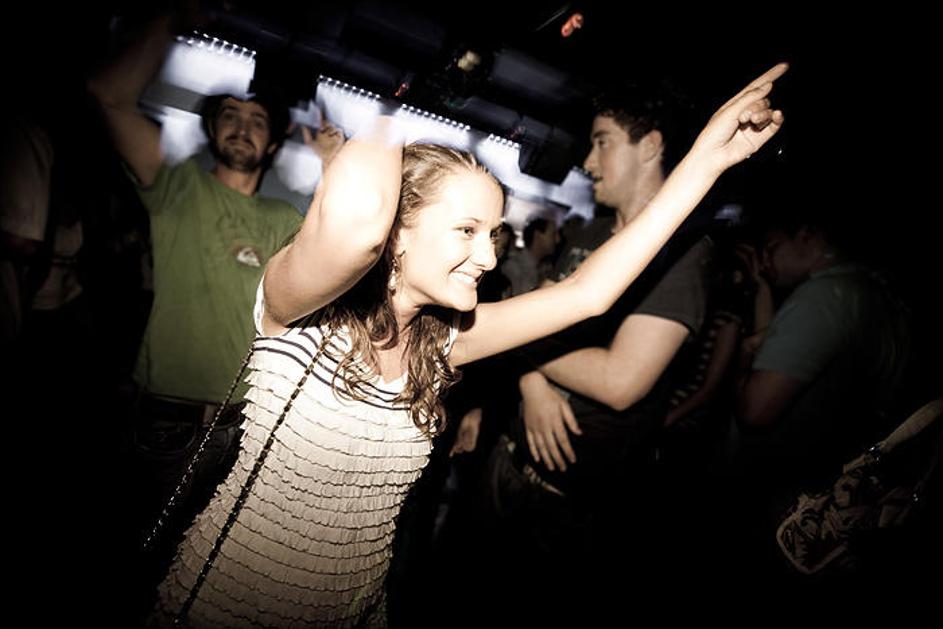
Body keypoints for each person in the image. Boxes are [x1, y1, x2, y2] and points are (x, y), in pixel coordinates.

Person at [149, 63, 787, 627]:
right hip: (228, 602)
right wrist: (392, 119)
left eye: (494, 233)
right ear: (398, 234)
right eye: (467, 230)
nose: (488, 255)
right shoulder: (299, 308)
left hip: (353, 610)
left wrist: (707, 160)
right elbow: (358, 228)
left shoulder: (447, 341)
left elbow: (589, 294)